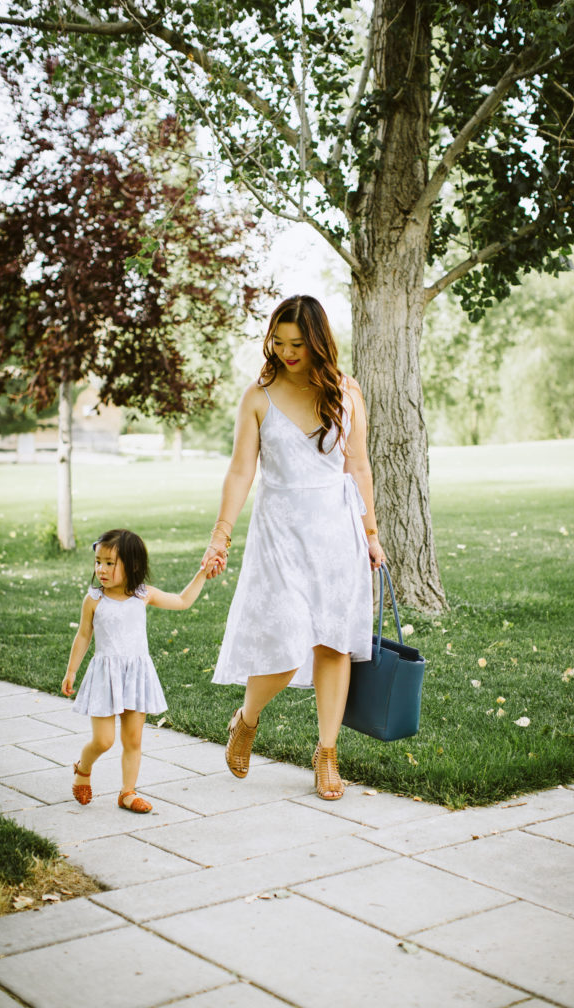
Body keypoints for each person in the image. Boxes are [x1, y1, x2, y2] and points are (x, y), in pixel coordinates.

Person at [202, 295, 386, 800]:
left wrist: (371, 535)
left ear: (318, 342)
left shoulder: (346, 393)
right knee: (284, 644)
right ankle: (247, 717)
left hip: (336, 531)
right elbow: (242, 471)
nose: (286, 353)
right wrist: (221, 532)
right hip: (278, 532)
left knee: (333, 643)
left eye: (297, 344)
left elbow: (359, 467)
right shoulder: (258, 397)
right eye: (278, 343)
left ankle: (327, 753)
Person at [62, 528, 219, 813]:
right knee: (104, 740)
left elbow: (182, 601)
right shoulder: (94, 600)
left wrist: (202, 575)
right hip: (105, 677)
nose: (101, 569)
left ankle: (127, 793)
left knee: (133, 740)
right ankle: (83, 768)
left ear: (133, 566)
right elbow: (84, 635)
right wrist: (71, 670)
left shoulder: (142, 595)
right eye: (98, 562)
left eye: (110, 563)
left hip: (136, 676)